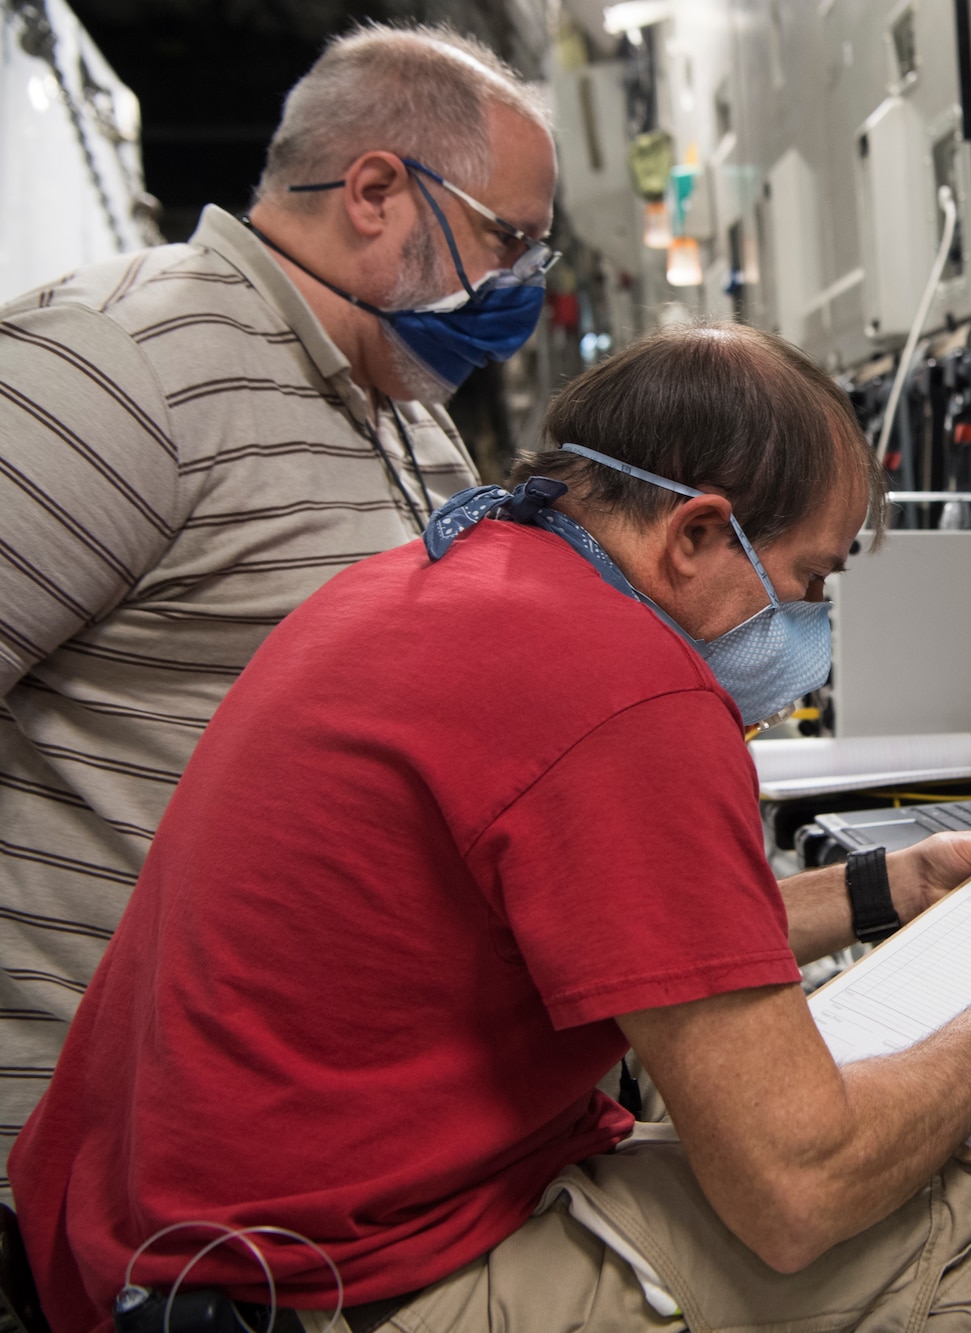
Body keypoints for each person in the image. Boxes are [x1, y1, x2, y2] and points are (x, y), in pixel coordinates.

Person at [12, 322, 971, 1333]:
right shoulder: (625, 689)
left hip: (141, 1239)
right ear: (698, 536)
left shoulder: (427, 583)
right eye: (805, 579)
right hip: (318, 1285)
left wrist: (879, 890)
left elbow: (614, 943)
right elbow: (797, 1190)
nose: (807, 626)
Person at [0, 23, 557, 1192]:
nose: (523, 286)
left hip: (307, 1130)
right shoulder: (121, 367)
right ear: (373, 191)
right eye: (509, 241)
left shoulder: (407, 410)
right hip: (118, 1157)